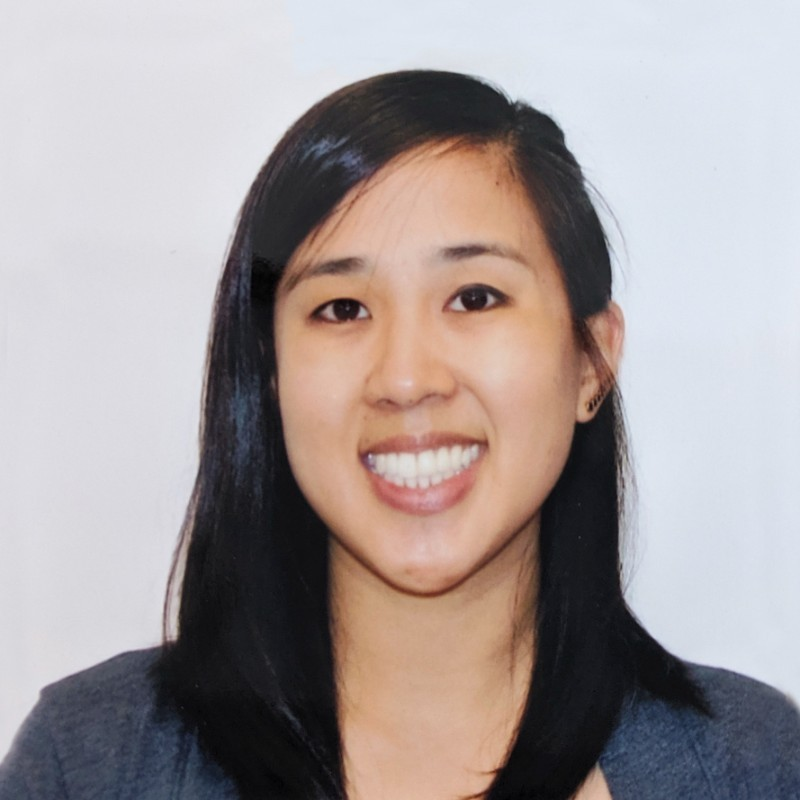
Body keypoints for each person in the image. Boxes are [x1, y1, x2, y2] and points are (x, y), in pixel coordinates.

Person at [1, 69, 798, 800]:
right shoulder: (92, 764)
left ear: (591, 359)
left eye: (475, 297)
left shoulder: (752, 768)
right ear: (271, 375)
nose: (407, 378)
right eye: (342, 309)